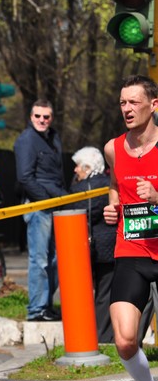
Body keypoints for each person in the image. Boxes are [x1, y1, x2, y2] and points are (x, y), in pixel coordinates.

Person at [104, 74, 158, 381]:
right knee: (124, 340)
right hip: (132, 250)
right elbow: (114, 185)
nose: (127, 108)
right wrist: (113, 205)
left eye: (134, 102)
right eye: (123, 102)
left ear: (153, 105)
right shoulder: (113, 148)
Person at [14, 99, 68, 322]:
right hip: (39, 207)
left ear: (51, 117)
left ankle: (45, 306)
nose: (42, 120)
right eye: (38, 116)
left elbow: (57, 174)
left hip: (56, 205)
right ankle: (36, 309)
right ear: (31, 116)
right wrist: (45, 200)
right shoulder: (27, 140)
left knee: (55, 259)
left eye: (46, 116)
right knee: (40, 260)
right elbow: (25, 177)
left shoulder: (53, 138)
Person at [64, 146, 116, 343]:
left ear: (87, 167)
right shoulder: (108, 184)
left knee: (93, 294)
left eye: (78, 167)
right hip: (108, 247)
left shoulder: (81, 190)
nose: (75, 170)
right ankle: (104, 336)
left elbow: (75, 212)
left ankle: (96, 338)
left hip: (90, 248)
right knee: (106, 293)